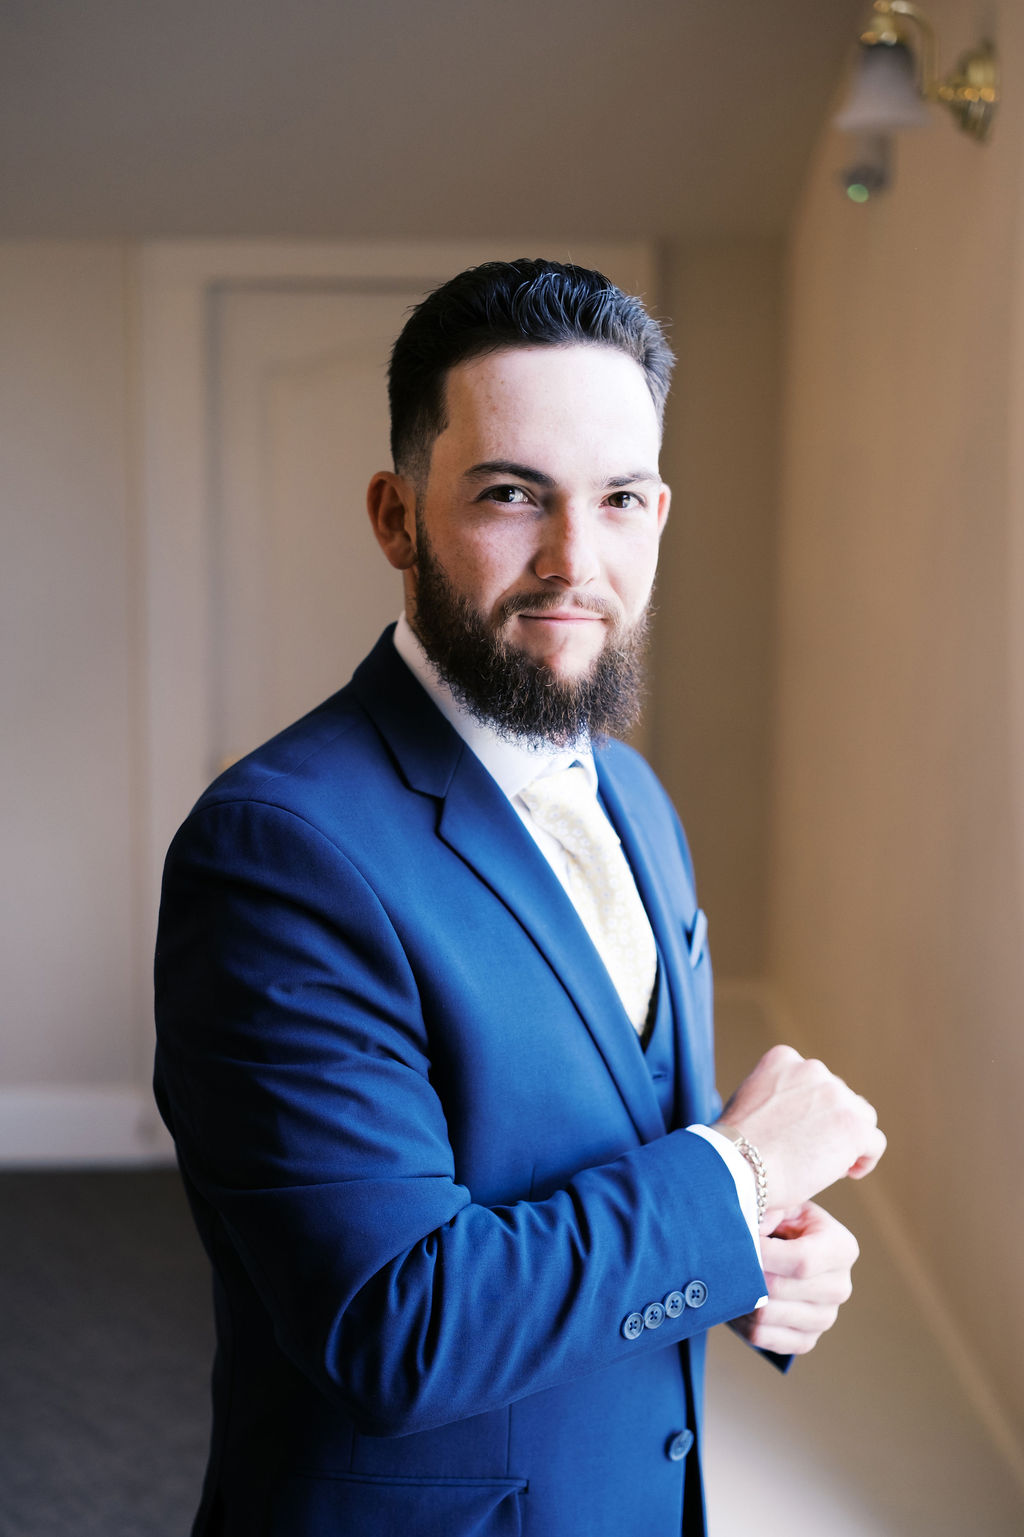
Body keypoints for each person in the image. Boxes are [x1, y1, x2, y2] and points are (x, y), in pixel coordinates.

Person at [154, 258, 885, 1537]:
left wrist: (761, 1251)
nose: (574, 560)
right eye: (510, 495)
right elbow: (401, 1328)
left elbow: (595, 1152)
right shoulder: (275, 852)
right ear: (395, 517)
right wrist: (738, 1170)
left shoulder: (638, 801)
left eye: (619, 500)